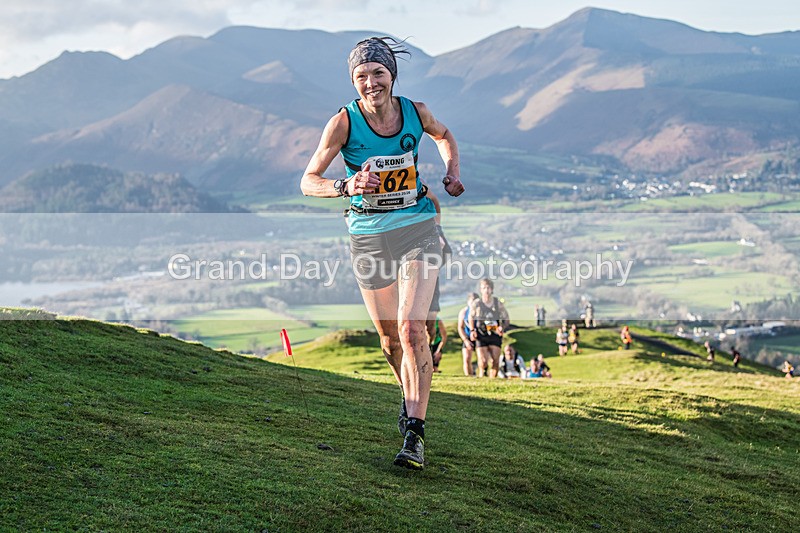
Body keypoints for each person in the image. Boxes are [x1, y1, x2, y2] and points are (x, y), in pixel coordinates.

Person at [300, 37, 465, 470]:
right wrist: (345, 186)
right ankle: (410, 396)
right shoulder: (343, 124)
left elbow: (443, 135)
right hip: (369, 237)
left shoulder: (415, 111)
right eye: (361, 76)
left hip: (417, 227)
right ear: (353, 82)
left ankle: (415, 432)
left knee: (412, 331)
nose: (370, 82)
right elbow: (308, 179)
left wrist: (451, 172)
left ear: (392, 75)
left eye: (378, 73)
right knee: (390, 340)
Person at [469, 278, 510, 378]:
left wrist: (502, 327)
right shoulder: (477, 304)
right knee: (483, 361)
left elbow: (506, 318)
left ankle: (492, 380)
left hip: (494, 333)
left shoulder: (497, 303)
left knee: (495, 360)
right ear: (481, 290)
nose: (486, 290)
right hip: (481, 334)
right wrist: (472, 330)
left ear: (492, 289)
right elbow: (471, 317)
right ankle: (482, 376)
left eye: (488, 288)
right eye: (484, 288)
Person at [457, 292, 479, 376]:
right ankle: (468, 377)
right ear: (468, 301)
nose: (473, 303)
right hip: (468, 337)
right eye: (471, 301)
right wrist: (465, 340)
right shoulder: (464, 312)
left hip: (480, 337)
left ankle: (482, 376)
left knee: (482, 359)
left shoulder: (480, 311)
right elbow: (460, 327)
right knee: (466, 358)